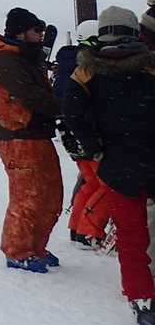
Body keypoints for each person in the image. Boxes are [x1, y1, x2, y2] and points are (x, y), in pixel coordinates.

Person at [64, 6, 155, 325]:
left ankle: (142, 300)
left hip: (118, 165)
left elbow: (72, 112)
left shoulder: (87, 71)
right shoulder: (150, 65)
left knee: (131, 238)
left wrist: (95, 147)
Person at [0, 7, 64, 272]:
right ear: (20, 32)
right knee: (27, 196)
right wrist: (65, 107)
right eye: (36, 30)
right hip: (17, 137)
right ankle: (17, 251)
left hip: (37, 134)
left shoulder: (26, 59)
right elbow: (33, 96)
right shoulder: (6, 61)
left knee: (50, 196)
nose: (41, 34)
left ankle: (36, 246)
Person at [54, 20, 112, 248]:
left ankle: (78, 228)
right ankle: (89, 231)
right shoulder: (87, 67)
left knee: (92, 182)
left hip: (72, 134)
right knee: (106, 185)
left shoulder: (66, 65)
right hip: (87, 134)